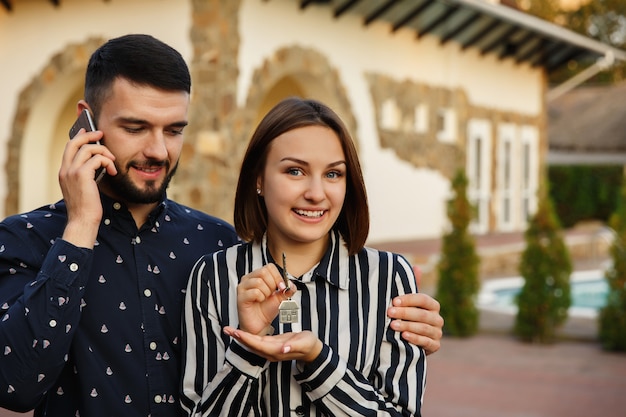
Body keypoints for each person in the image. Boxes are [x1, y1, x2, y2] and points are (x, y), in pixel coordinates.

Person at [0, 35, 441, 417]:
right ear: (87, 122)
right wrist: (80, 226)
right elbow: (16, 386)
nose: (158, 150)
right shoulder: (25, 239)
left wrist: (402, 325)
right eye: (135, 127)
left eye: (173, 130)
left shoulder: (212, 243)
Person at [181, 97, 427, 416]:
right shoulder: (213, 277)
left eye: (333, 174)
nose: (315, 193)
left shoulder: (390, 277)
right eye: (295, 171)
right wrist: (248, 347)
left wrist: (318, 359)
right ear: (258, 179)